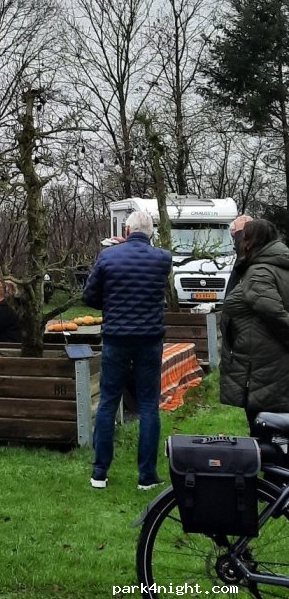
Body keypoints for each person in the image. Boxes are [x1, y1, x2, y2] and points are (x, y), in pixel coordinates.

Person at [83, 210, 172, 490]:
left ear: (126, 230)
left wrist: (111, 302)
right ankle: (146, 476)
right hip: (149, 339)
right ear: (151, 233)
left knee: (109, 401)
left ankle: (100, 472)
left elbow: (89, 295)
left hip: (116, 337)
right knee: (148, 405)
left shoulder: (107, 257)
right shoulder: (163, 258)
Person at [220, 218, 289, 433]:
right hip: (273, 362)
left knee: (266, 433)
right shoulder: (277, 265)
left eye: (243, 238)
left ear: (252, 242)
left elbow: (275, 314)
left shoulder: (259, 272)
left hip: (264, 366)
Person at [224, 214, 253, 297]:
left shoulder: (249, 263)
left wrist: (240, 231)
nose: (234, 243)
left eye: (235, 238)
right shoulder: (243, 262)